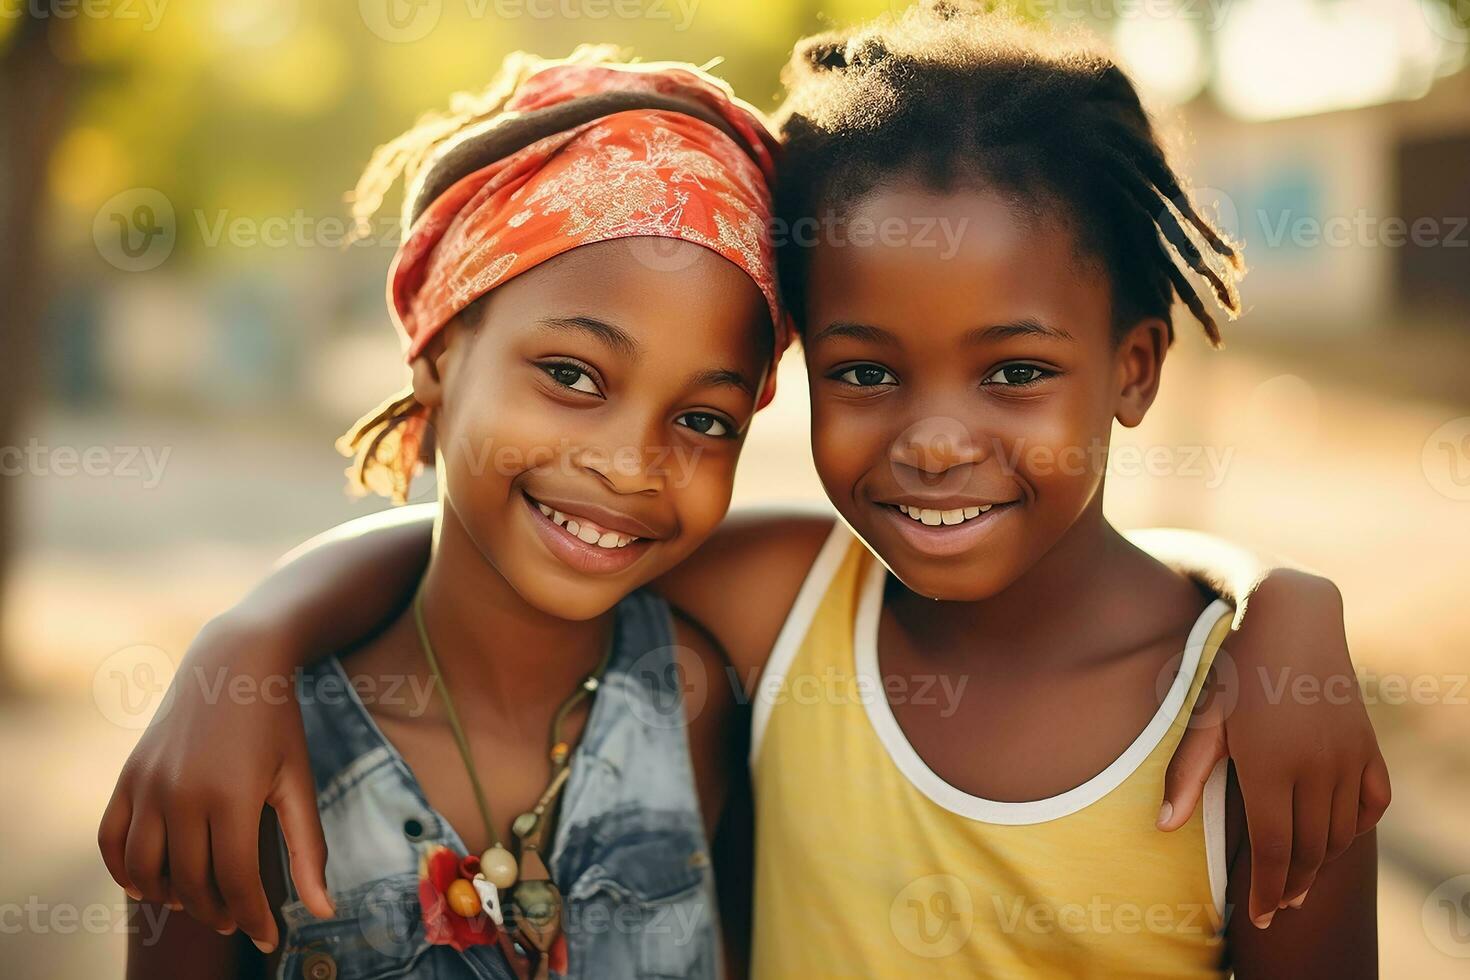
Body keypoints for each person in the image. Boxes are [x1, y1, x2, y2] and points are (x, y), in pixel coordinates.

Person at [105, 7, 1389, 977]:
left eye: (1013, 370)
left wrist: (1284, 601)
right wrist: (245, 640)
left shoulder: (1256, 739)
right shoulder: (788, 614)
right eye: (867, 370)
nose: (938, 443)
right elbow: (472, 546)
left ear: (1135, 367)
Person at [121, 49, 791, 980]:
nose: (632, 465)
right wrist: (243, 647)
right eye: (570, 376)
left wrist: (253, 630)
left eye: (703, 420)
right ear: (436, 352)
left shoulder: (699, 702)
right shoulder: (246, 756)